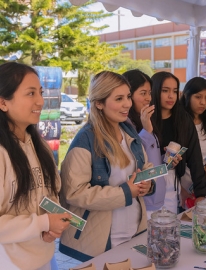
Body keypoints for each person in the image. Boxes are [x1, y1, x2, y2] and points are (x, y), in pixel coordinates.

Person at [59, 71, 154, 262]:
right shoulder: (86, 139)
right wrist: (125, 193)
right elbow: (74, 192)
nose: (127, 103)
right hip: (102, 241)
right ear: (99, 103)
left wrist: (148, 183)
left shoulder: (128, 131)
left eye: (127, 96)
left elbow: (146, 166)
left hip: (135, 231)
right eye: (119, 98)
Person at [0, 62, 71, 270]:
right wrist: (43, 223)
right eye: (30, 93)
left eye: (40, 92)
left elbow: (49, 196)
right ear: (3, 103)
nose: (40, 101)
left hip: (45, 257)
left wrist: (50, 226)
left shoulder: (40, 146)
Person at [122, 69, 181, 217]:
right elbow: (133, 158)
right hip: (142, 202)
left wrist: (166, 161)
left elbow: (149, 160)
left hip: (155, 196)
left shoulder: (143, 118)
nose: (148, 98)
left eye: (149, 93)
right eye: (143, 93)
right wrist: (147, 131)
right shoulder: (125, 124)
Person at [150, 71, 206, 213]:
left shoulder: (183, 119)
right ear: (154, 91)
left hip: (172, 182)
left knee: (169, 225)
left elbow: (195, 158)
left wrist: (201, 193)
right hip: (148, 181)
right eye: (165, 91)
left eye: (175, 91)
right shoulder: (146, 118)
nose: (171, 96)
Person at [180, 77, 206, 204]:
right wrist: (180, 189)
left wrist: (203, 177)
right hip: (178, 184)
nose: (203, 102)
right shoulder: (178, 123)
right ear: (186, 96)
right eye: (198, 97)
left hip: (202, 182)